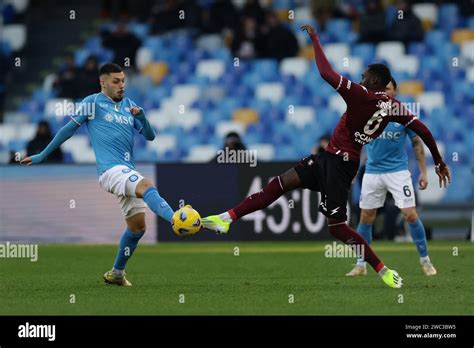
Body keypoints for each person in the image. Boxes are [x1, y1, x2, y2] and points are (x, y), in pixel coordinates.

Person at [202, 24, 451, 289]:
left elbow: (325, 72)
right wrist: (439, 161)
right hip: (328, 158)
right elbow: (423, 130)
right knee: (280, 183)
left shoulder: (361, 94)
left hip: (340, 166)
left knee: (336, 228)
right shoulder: (396, 107)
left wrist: (315, 39)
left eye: (365, 75)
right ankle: (226, 219)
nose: (361, 78)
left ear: (374, 81)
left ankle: (383, 269)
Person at [21, 63, 176, 287]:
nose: (121, 85)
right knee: (148, 187)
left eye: (123, 80)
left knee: (137, 228)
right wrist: (42, 154)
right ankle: (176, 219)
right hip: (110, 171)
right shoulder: (92, 102)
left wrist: (141, 117)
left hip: (126, 170)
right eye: (116, 81)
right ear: (103, 82)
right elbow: (68, 129)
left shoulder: (129, 105)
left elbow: (150, 136)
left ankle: (116, 273)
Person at [347, 77, 436, 277]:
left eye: (387, 89)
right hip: (372, 172)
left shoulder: (403, 114)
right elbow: (356, 145)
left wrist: (423, 171)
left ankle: (425, 261)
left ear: (394, 91)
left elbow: (416, 143)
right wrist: (351, 170)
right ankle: (361, 265)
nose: (383, 92)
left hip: (398, 172)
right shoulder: (366, 113)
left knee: (410, 214)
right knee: (366, 217)